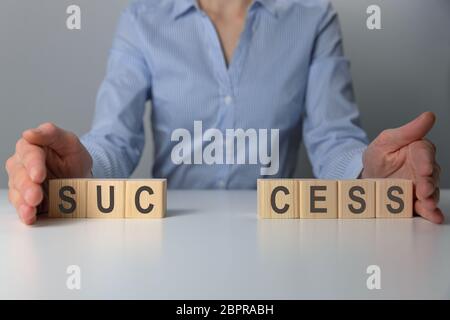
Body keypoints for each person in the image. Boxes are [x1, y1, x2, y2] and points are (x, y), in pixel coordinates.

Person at [5, 0, 442, 225]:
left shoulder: (312, 17)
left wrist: (369, 178)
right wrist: (80, 173)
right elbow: (116, 138)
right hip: (171, 235)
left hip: (277, 239)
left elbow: (332, 140)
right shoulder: (143, 19)